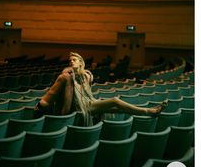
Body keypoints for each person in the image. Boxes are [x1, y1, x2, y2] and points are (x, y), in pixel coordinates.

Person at [34, 52, 167, 126]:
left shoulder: (85, 76)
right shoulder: (67, 76)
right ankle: (147, 111)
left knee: (116, 108)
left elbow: (86, 78)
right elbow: (60, 82)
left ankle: (146, 113)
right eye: (70, 61)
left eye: (74, 60)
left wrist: (85, 73)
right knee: (115, 100)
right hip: (83, 107)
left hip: (89, 103)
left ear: (81, 62)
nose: (71, 62)